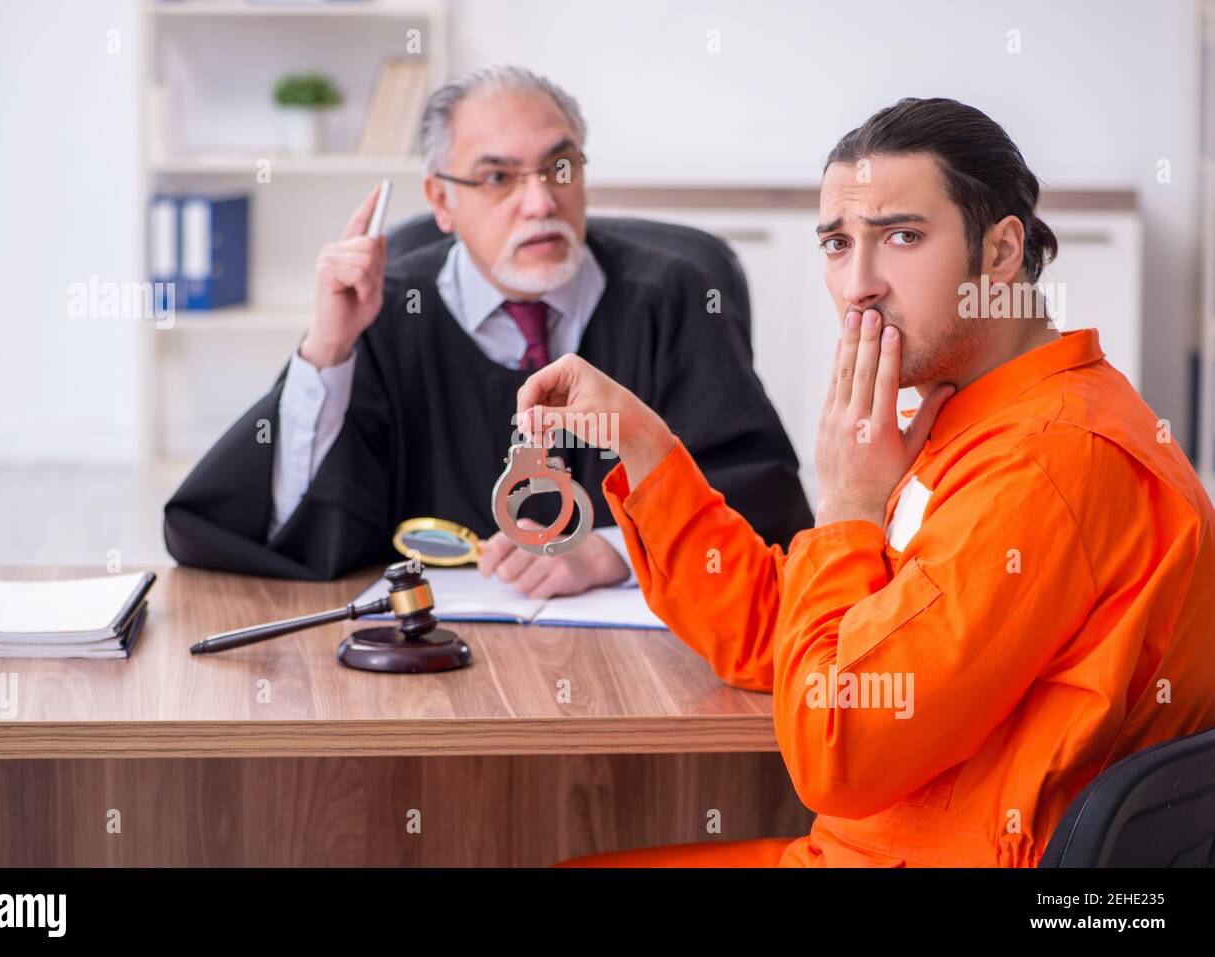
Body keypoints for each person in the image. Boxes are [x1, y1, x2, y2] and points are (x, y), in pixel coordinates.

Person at [516, 98, 1215, 866]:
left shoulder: (1044, 461)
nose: (858, 286)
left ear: (1002, 251)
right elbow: (780, 639)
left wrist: (847, 505)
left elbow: (836, 743)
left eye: (903, 237)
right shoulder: (970, 416)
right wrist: (645, 447)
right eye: (837, 244)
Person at [162, 65, 811, 596]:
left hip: (635, 668)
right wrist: (328, 350)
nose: (540, 202)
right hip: (427, 670)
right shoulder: (386, 311)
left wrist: (616, 550)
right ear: (441, 201)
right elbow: (290, 526)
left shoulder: (673, 297)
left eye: (560, 169)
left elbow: (761, 504)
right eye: (498, 177)